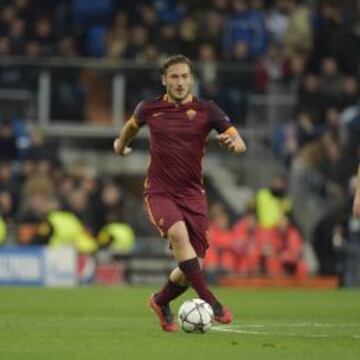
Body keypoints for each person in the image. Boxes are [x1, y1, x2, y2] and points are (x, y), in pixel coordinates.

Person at [113, 54, 246, 332]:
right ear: (164, 80)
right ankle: (211, 301)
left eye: (185, 76)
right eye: (174, 76)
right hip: (160, 191)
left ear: (192, 79)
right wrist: (121, 145)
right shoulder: (149, 108)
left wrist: (231, 144)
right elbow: (130, 127)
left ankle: (160, 301)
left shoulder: (208, 110)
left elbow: (240, 143)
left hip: (193, 194)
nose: (180, 82)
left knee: (191, 266)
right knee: (178, 235)